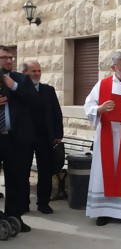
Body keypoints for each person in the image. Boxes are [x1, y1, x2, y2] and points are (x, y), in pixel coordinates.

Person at [83, 51, 121, 226]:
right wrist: (100, 109)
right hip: (106, 136)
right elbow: (88, 106)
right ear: (113, 67)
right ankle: (104, 212)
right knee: (105, 173)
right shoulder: (101, 85)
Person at [0, 45, 39, 232]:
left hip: (16, 140)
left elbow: (34, 100)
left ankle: (14, 217)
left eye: (11, 57)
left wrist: (13, 87)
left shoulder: (21, 79)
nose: (9, 60)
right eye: (4, 57)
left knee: (17, 180)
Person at [25, 61, 63, 214]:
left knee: (45, 172)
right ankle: (23, 203)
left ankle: (43, 203)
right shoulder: (20, 90)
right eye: (33, 71)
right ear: (25, 73)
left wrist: (58, 134)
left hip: (45, 138)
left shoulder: (48, 90)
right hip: (25, 138)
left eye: (39, 70)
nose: (37, 74)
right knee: (23, 172)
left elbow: (56, 113)